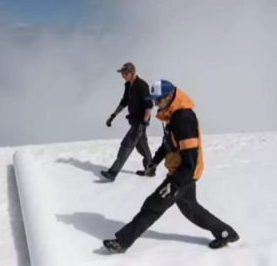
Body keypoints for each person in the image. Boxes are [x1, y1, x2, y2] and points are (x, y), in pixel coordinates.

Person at [103, 79, 240, 252]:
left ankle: (122, 242)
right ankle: (226, 233)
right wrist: (153, 163)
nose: (155, 103)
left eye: (158, 99)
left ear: (169, 96)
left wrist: (174, 184)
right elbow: (168, 144)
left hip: (184, 173)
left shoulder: (183, 118)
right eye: (153, 100)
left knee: (153, 205)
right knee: (191, 210)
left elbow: (190, 158)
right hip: (181, 172)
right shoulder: (172, 115)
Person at [100, 62, 154, 181]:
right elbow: (124, 102)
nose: (122, 76)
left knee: (126, 145)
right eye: (122, 73)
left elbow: (149, 106)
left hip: (140, 121)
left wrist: (144, 123)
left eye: (125, 73)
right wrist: (113, 115)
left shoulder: (142, 85)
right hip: (134, 120)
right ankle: (150, 170)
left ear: (132, 73)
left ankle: (112, 173)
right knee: (142, 146)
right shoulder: (128, 86)